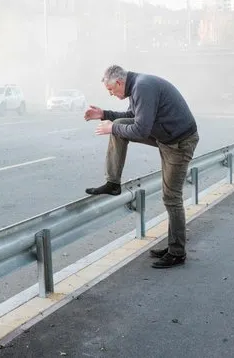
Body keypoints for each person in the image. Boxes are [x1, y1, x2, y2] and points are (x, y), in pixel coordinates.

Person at [84, 65, 199, 268]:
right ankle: (113, 182)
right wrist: (104, 114)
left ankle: (177, 252)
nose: (111, 94)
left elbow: (140, 129)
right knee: (118, 123)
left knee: (171, 197)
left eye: (110, 90)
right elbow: (133, 115)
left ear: (119, 83)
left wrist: (112, 127)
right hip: (165, 136)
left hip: (179, 143)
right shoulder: (137, 86)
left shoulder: (143, 87)